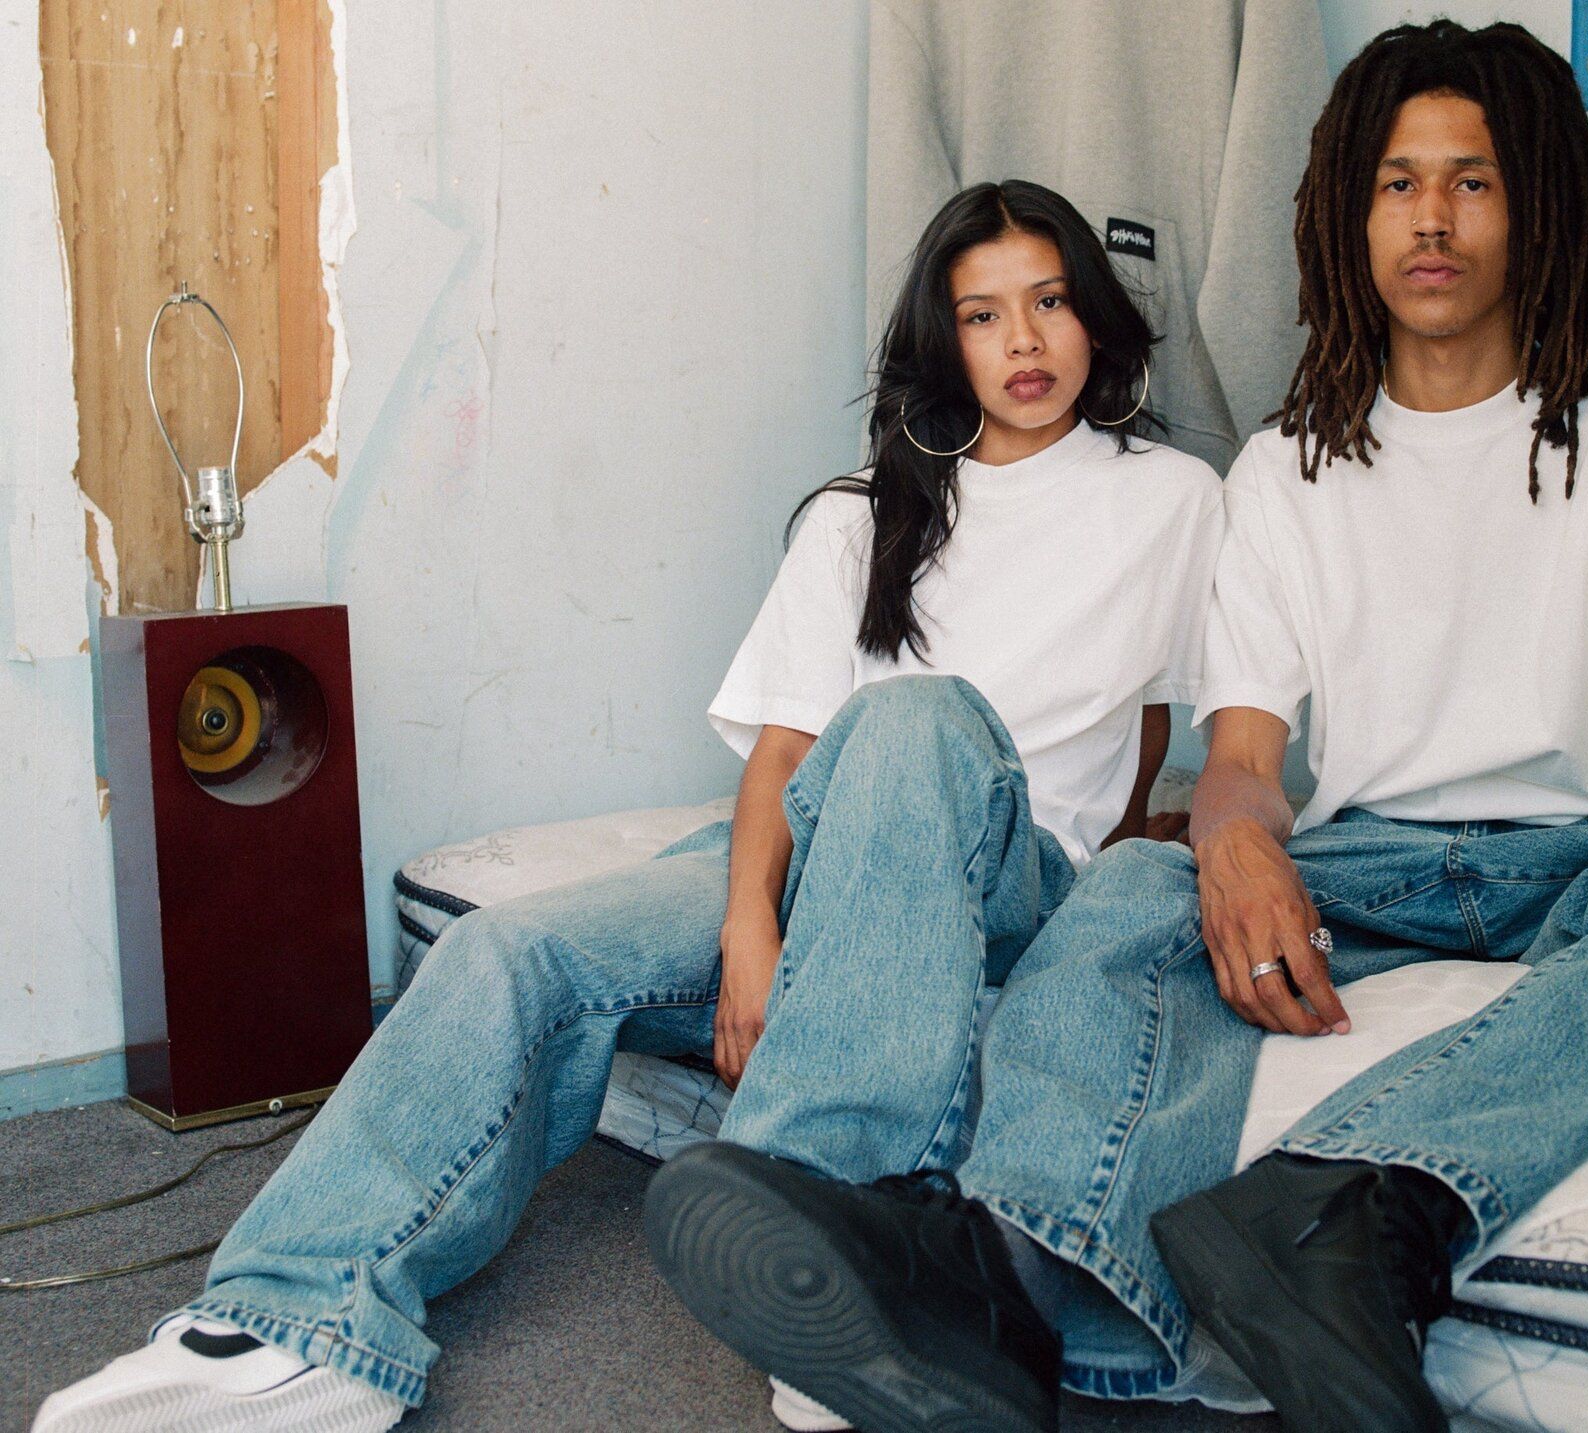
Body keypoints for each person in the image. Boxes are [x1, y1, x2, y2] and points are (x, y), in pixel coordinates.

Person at [647, 20, 1588, 1433]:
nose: (1431, 218)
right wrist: (1231, 848)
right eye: (1397, 183)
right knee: (1136, 885)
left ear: (1535, 207)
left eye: (1471, 181)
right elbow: (1238, 762)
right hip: (1364, 861)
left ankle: (1355, 1200)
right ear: (1351, 216)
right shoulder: (1284, 474)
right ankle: (1002, 1273)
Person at [33, 179, 1223, 1433]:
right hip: (818, 854)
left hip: (1001, 876)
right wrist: (752, 928)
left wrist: (1107, 860)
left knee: (913, 717)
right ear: (947, 342)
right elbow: (783, 754)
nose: (1022, 340)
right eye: (982, 315)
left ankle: (838, 1255)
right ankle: (296, 1320)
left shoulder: (1172, 500)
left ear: (1093, 317)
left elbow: (1149, 718)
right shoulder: (862, 512)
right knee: (510, 950)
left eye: (1048, 302)